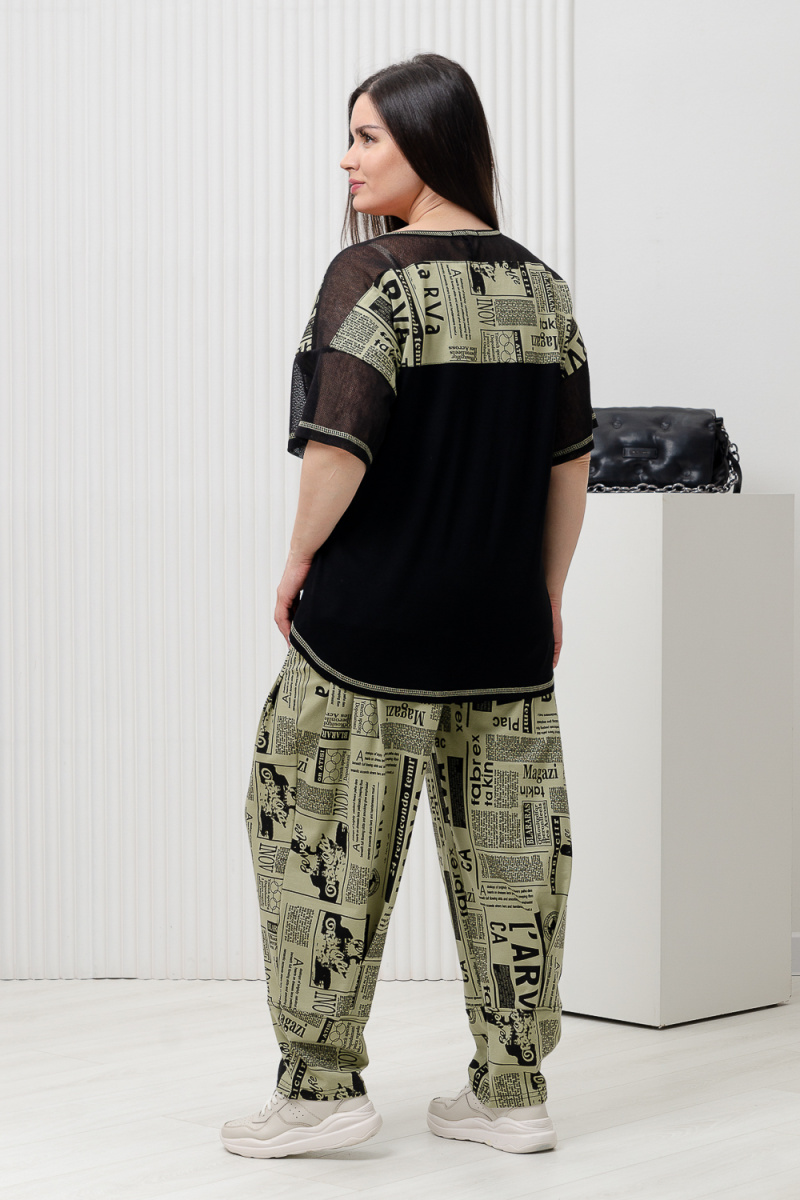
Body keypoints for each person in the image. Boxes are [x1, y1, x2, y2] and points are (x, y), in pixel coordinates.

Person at [221, 51, 596, 1161]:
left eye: (367, 137)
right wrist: (546, 593)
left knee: (310, 837)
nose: (346, 159)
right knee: (513, 864)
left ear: (430, 144)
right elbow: (569, 467)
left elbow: (338, 446)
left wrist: (296, 560)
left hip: (369, 634)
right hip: (501, 638)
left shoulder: (374, 277)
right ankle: (513, 1093)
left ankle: (319, 1090)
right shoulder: (543, 290)